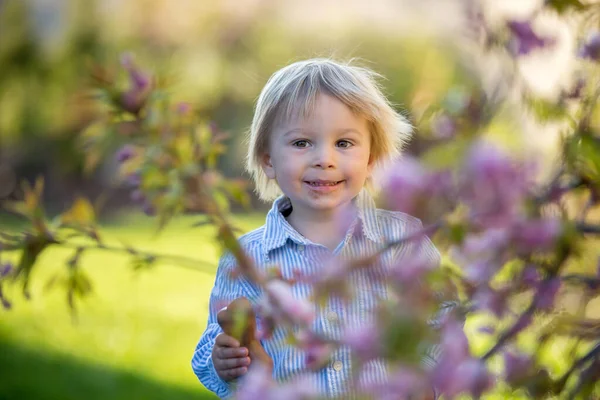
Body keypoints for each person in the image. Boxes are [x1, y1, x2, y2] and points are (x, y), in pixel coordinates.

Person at [191, 58, 441, 399]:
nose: (325, 159)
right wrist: (225, 360)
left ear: (371, 158)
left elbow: (441, 325)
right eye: (301, 143)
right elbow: (210, 350)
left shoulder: (403, 243)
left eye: (344, 143)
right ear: (268, 160)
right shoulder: (247, 258)